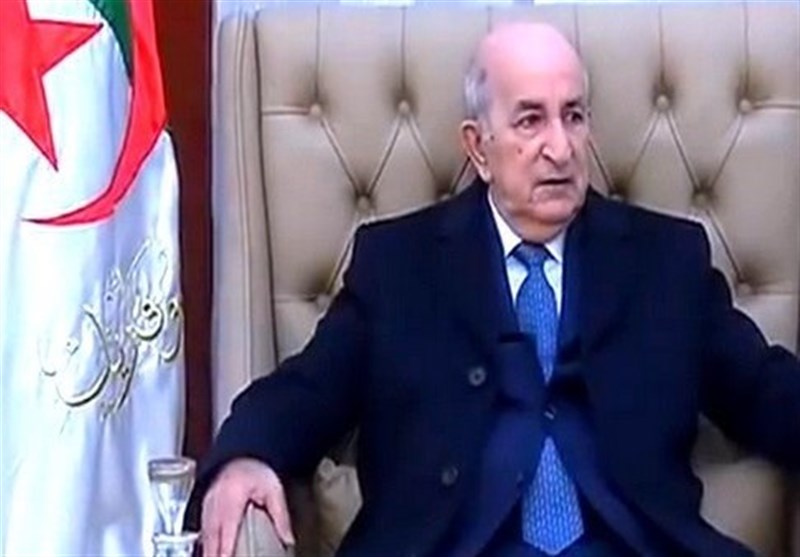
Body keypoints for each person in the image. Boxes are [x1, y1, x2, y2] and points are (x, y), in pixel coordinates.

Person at [194, 23, 800, 557]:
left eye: (573, 116)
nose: (559, 148)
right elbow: (308, 389)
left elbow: (762, 389)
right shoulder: (399, 267)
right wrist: (246, 456)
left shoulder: (665, 262)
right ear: (477, 147)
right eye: (530, 120)